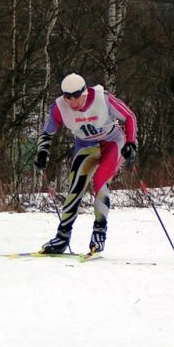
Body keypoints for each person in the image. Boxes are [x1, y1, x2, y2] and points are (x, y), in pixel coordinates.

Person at [33, 73, 137, 254]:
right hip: (85, 145)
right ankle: (62, 237)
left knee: (100, 183)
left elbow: (129, 117)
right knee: (75, 188)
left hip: (111, 142)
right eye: (68, 96)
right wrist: (42, 152)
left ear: (84, 92)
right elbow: (47, 133)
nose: (72, 101)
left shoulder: (102, 98)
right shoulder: (59, 108)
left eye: (76, 96)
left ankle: (99, 232)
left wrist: (130, 142)